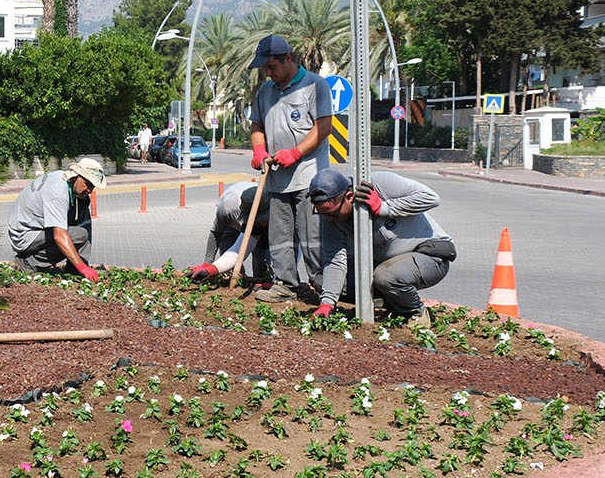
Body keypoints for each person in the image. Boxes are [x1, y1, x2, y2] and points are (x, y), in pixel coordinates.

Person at [305, 168, 456, 326]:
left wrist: (383, 208)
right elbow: (335, 259)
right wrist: (327, 304)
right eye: (323, 214)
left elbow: (431, 198)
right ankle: (394, 301)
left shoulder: (378, 184)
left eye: (333, 213)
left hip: (429, 255)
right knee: (322, 282)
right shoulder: (330, 217)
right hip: (387, 264)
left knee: (385, 276)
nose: (329, 219)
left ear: (349, 197)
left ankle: (415, 311)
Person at [247, 34, 334, 302]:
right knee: (280, 238)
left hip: (309, 178)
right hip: (276, 179)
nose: (267, 72)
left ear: (288, 58)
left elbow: (323, 127)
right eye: (264, 68)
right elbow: (257, 126)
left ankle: (323, 287)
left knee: (313, 238)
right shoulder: (265, 92)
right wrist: (259, 149)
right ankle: (285, 285)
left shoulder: (315, 86)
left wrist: (296, 152)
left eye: (271, 66)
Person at [6, 157, 105, 282]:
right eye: (87, 185)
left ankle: (74, 267)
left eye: (93, 187)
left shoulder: (63, 178)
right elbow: (59, 236)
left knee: (83, 202)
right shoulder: (58, 192)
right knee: (79, 235)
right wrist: (82, 268)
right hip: (24, 235)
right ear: (77, 176)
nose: (90, 191)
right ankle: (28, 263)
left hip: (35, 227)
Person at [184, 179, 271, 285]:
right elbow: (218, 235)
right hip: (232, 216)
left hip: (264, 222)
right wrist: (208, 266)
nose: (257, 223)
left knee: (261, 256)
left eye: (259, 220)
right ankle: (237, 277)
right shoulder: (227, 209)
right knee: (227, 244)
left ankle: (262, 279)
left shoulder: (273, 207)